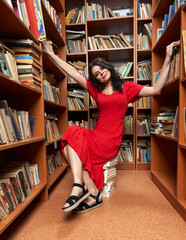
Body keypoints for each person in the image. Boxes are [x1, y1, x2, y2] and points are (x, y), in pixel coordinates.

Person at [42, 41, 176, 214]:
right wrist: (50, 55)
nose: (100, 74)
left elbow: (157, 90)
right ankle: (89, 191)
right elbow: (71, 72)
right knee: (69, 141)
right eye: (96, 74)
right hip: (97, 134)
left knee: (71, 142)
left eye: (101, 69)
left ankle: (84, 190)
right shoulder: (95, 90)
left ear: (108, 67)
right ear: (95, 78)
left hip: (110, 139)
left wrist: (168, 57)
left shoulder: (127, 87)